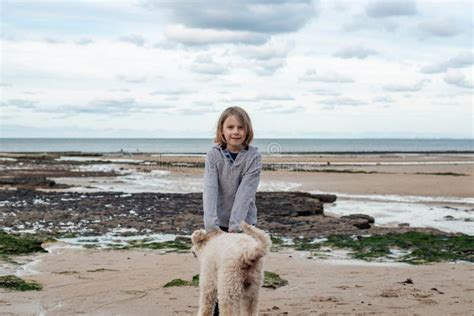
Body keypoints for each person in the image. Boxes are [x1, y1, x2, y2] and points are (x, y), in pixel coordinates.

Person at [202, 106, 262, 315]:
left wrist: (236, 229)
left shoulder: (253, 156)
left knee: (244, 277)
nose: (235, 131)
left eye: (240, 127)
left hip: (244, 225)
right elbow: (210, 189)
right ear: (222, 130)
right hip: (218, 224)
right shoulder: (213, 155)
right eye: (230, 127)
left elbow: (246, 192)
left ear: (247, 130)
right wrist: (211, 226)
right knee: (221, 276)